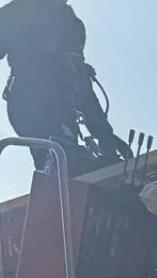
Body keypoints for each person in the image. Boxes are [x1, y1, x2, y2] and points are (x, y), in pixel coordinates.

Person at [0, 0, 132, 172]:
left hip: (62, 110)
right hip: (29, 104)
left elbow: (81, 82)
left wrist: (105, 135)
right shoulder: (15, 13)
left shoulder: (73, 26)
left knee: (73, 161)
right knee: (59, 160)